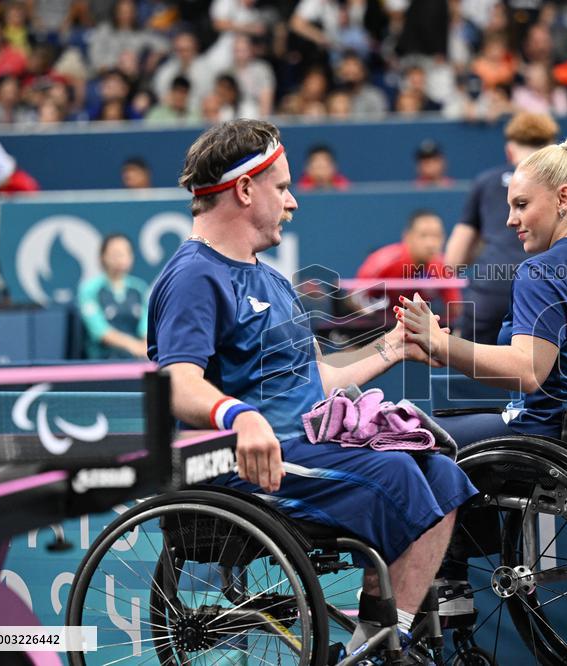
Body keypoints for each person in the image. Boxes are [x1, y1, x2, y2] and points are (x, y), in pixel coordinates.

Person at [146, 119, 477, 657]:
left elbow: (316, 380)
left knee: (440, 474)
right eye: (282, 187)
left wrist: (393, 347)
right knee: (397, 474)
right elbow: (177, 382)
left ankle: (381, 640)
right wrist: (239, 416)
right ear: (245, 189)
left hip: (303, 446)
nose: (293, 201)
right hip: (242, 465)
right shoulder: (193, 276)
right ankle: (383, 649)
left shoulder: (273, 279)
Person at [398, 134, 567, 445]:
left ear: (563, 198)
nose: (510, 220)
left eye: (521, 205)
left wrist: (440, 343)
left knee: (408, 433)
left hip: (543, 438)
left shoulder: (542, 271)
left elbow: (527, 371)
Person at [443, 112, 559, 344]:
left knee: (471, 362)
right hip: (546, 288)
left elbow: (453, 261)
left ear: (509, 151)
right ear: (553, 151)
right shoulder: (562, 184)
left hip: (490, 289)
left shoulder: (485, 182)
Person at [355, 209, 462, 319]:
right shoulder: (384, 262)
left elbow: (454, 309)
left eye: (437, 236)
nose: (431, 244)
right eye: (423, 235)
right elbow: (354, 298)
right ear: (407, 237)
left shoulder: (443, 267)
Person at [78, 233, 149, 359]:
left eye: (125, 253)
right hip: (101, 361)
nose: (121, 258)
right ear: (102, 257)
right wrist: (132, 345)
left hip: (137, 361)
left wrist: (145, 346)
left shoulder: (140, 288)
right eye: (115, 253)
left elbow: (146, 327)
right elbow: (100, 331)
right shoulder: (90, 290)